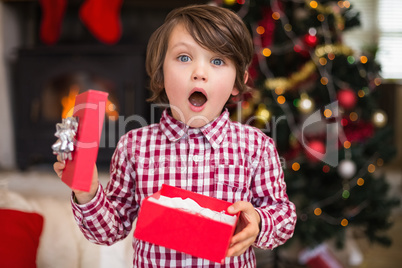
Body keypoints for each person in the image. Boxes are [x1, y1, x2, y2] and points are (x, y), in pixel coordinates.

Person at [54, 4, 296, 267]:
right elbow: (109, 231)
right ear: (160, 76)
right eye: (184, 57)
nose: (199, 73)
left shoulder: (257, 146)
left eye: (217, 61)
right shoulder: (133, 147)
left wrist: (259, 223)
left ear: (238, 82)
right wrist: (88, 194)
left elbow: (283, 217)